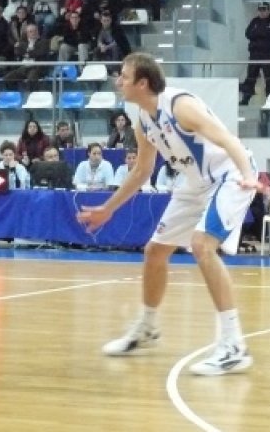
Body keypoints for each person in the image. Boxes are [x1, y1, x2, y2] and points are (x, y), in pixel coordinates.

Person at [77, 53, 259, 376]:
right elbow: (141, 172)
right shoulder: (143, 119)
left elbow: (229, 140)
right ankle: (147, 327)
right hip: (196, 183)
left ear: (142, 83)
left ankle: (234, 346)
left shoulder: (180, 106)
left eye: (124, 76)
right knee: (154, 252)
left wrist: (248, 175)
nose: (118, 81)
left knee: (202, 245)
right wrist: (108, 209)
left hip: (230, 176)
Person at [239, 2, 270, 106]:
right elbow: (248, 34)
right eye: (260, 10)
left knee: (269, 78)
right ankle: (245, 99)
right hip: (254, 54)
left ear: (269, 10)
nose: (262, 12)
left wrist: (257, 32)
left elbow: (269, 33)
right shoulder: (254, 21)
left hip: (267, 55)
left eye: (264, 10)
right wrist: (262, 31)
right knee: (250, 78)